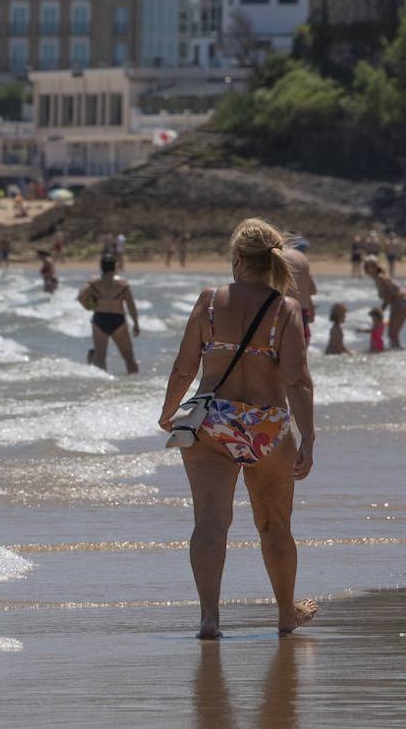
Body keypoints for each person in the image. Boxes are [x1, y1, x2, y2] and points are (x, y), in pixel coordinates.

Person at [158, 218, 316, 640]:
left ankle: (210, 618)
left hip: (213, 423)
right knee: (275, 526)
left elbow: (184, 365)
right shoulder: (285, 309)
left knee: (210, 523)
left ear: (238, 259)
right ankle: (286, 614)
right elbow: (298, 379)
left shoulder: (211, 301)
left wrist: (168, 410)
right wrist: (309, 437)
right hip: (267, 424)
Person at [78, 254, 140, 374]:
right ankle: (135, 384)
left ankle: (101, 384)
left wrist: (90, 306)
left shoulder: (94, 283)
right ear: (115, 266)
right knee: (129, 357)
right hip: (118, 320)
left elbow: (81, 297)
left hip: (99, 318)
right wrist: (136, 324)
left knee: (100, 357)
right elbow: (131, 305)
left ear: (101, 266)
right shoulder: (123, 284)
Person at [362, 256, 406, 349]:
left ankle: (398, 354)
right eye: (364, 266)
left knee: (392, 334)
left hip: (401, 304)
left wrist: (380, 312)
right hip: (400, 304)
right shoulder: (379, 277)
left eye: (367, 266)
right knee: (392, 334)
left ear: (374, 267)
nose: (365, 269)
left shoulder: (380, 278)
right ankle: (397, 352)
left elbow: (389, 295)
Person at [282, 238, 317, 344]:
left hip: (284, 308)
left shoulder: (284, 257)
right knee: (299, 346)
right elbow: (313, 290)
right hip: (302, 310)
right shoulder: (303, 261)